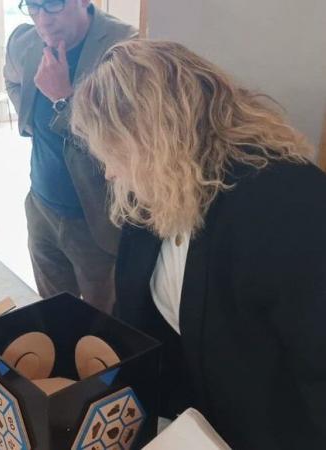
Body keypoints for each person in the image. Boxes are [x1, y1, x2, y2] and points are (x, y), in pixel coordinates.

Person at [71, 39, 326, 449]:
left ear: (152, 140)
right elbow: (137, 320)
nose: (110, 174)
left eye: (113, 153)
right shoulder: (155, 196)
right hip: (191, 427)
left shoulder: (289, 207)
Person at [3, 0, 136, 312]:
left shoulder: (126, 49)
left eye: (52, 5)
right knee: (54, 316)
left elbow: (127, 144)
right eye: (32, 6)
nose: (42, 20)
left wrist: (64, 99)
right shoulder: (24, 41)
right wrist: (30, 121)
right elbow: (10, 77)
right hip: (41, 208)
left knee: (101, 328)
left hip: (96, 220)